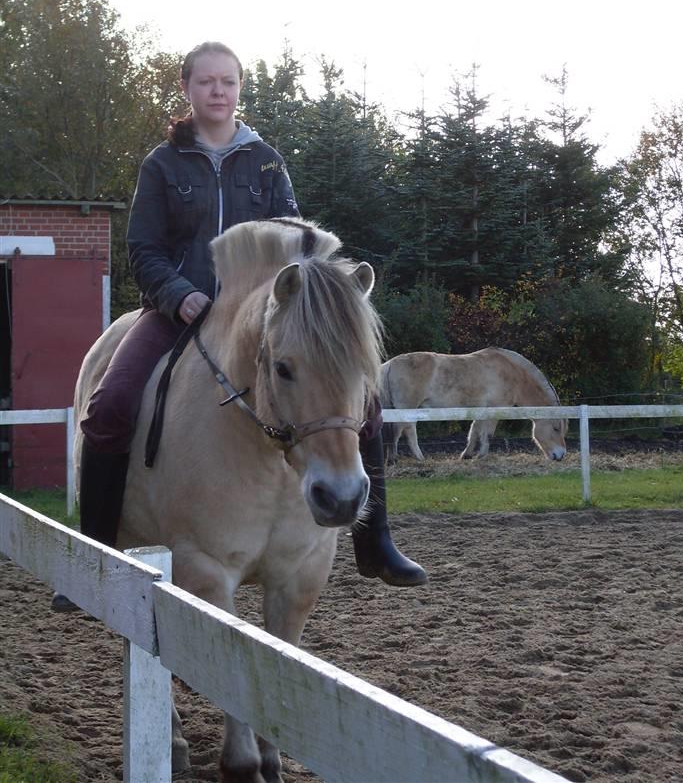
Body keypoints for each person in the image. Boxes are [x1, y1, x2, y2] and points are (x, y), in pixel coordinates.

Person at [55, 41, 425, 610]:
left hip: (263, 314)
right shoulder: (162, 164)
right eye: (206, 81)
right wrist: (179, 295)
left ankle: (375, 543)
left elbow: (297, 243)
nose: (218, 91)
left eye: (228, 81)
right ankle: (94, 557)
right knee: (109, 407)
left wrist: (309, 301)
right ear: (187, 87)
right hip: (177, 313)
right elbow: (144, 250)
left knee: (364, 403)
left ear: (239, 88)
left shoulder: (266, 160)